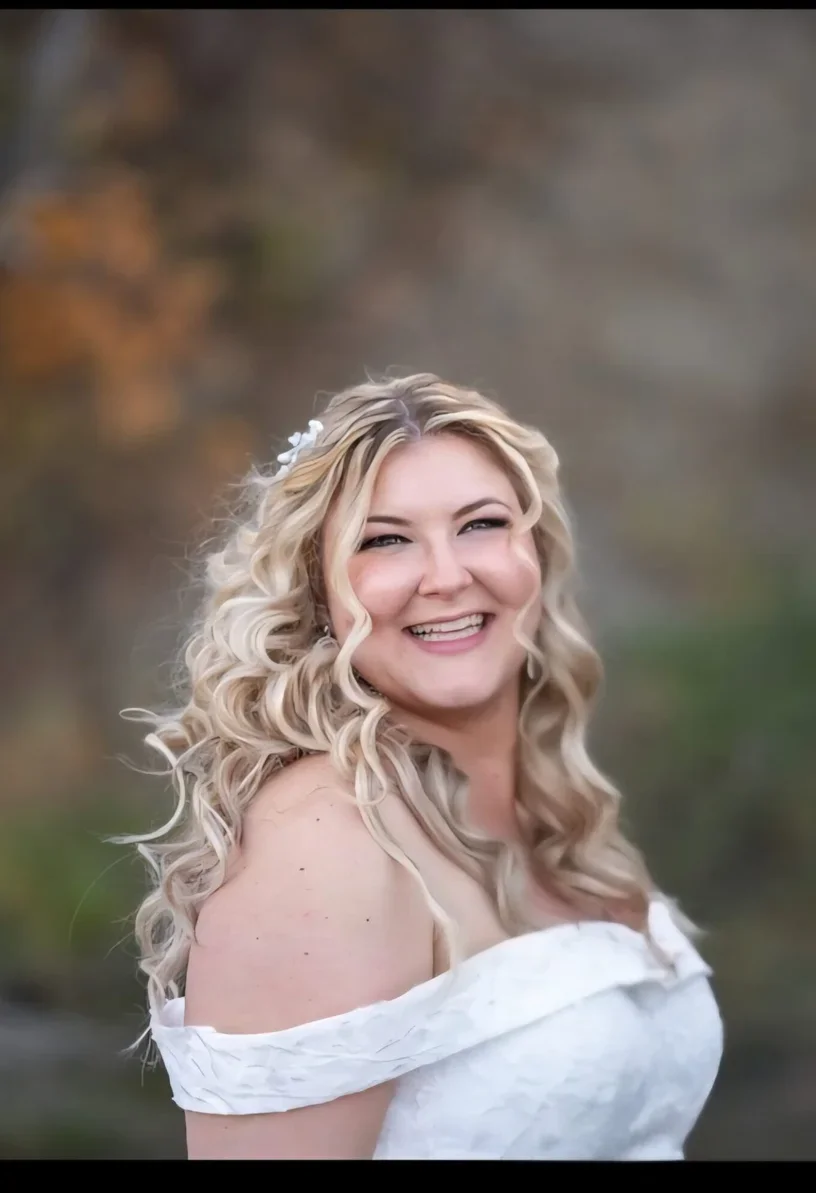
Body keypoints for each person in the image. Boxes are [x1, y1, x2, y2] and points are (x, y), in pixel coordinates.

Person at [124, 373, 723, 1160]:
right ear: (319, 593)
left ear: (534, 555)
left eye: (480, 524)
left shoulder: (553, 813)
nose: (445, 576)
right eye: (385, 539)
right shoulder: (325, 845)